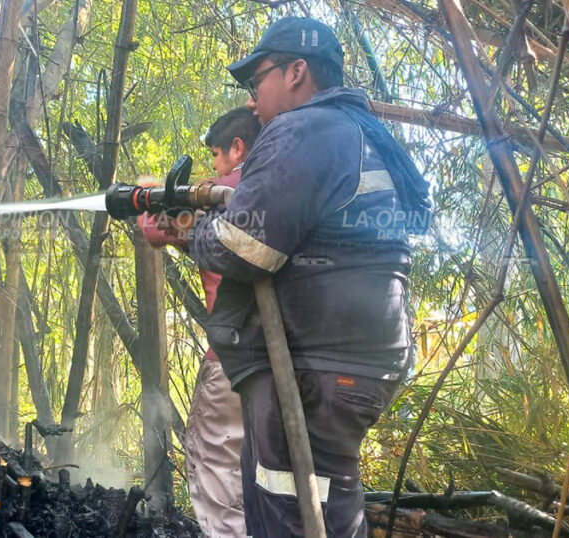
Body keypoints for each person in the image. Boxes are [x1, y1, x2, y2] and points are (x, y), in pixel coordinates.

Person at [185, 17, 432, 537]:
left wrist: (191, 230)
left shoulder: (307, 129)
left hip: (312, 364)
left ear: (297, 71)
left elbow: (244, 246)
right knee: (325, 505)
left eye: (258, 82)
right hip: (354, 362)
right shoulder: (362, 131)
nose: (252, 102)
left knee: (289, 514)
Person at [136, 108, 261, 537]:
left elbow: (158, 229)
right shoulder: (284, 188)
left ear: (237, 149)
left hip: (232, 361)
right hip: (288, 363)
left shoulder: (226, 193)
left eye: (215, 155)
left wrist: (146, 195)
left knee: (215, 464)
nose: (213, 167)